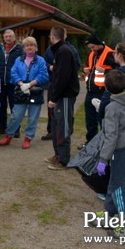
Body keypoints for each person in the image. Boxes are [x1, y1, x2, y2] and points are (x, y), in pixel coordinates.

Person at [93, 69, 125, 238]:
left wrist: (103, 159)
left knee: (120, 188)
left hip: (121, 150)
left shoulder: (112, 107)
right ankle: (110, 215)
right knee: (113, 183)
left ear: (106, 88)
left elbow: (111, 136)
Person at [0, 37, 49, 149]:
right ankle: (9, 135)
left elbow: (44, 75)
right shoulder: (18, 60)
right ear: (24, 48)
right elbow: (13, 72)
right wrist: (21, 84)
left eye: (31, 45)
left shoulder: (40, 60)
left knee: (33, 117)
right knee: (16, 115)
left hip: (35, 91)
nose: (29, 47)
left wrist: (30, 84)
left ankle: (28, 138)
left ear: (36, 47)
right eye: (26, 45)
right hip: (21, 90)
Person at [46, 26, 80, 170]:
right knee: (55, 126)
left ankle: (63, 160)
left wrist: (54, 97)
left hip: (64, 96)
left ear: (53, 36)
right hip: (59, 94)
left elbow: (63, 78)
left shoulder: (64, 51)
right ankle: (57, 155)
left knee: (63, 127)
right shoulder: (59, 50)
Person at [42, 30, 81, 140]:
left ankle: (65, 137)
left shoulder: (69, 50)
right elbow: (44, 62)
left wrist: (59, 69)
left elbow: (74, 67)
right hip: (52, 83)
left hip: (64, 90)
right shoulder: (50, 49)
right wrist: (50, 66)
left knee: (65, 115)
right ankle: (51, 131)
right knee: (52, 111)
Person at [94, 42, 125, 120]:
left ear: (120, 56)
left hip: (113, 114)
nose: (113, 54)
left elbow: (106, 98)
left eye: (115, 52)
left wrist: (100, 111)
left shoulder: (117, 76)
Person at [82, 35, 117, 146]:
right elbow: (92, 68)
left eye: (92, 47)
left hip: (102, 91)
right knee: (90, 119)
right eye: (90, 48)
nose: (91, 50)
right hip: (90, 90)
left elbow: (118, 72)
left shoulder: (110, 54)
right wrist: (86, 70)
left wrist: (105, 71)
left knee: (102, 119)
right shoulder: (93, 54)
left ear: (98, 44)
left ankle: (104, 144)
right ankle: (90, 143)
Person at [0, 29, 23, 135]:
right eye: (6, 36)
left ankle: (16, 128)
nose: (8, 38)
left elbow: (23, 64)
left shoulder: (19, 49)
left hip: (14, 82)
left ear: (14, 37)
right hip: (1, 81)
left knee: (15, 106)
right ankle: (1, 127)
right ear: (4, 38)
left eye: (10, 36)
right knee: (1, 106)